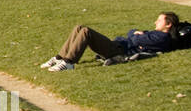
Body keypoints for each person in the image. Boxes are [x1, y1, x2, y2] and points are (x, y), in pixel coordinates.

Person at [42, 12, 179, 70]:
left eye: (159, 20)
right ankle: (59, 57)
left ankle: (69, 62)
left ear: (168, 25)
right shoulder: (154, 34)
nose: (156, 22)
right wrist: (136, 34)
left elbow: (135, 38)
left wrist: (137, 35)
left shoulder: (161, 37)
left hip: (119, 51)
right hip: (118, 45)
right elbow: (132, 32)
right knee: (79, 28)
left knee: (86, 32)